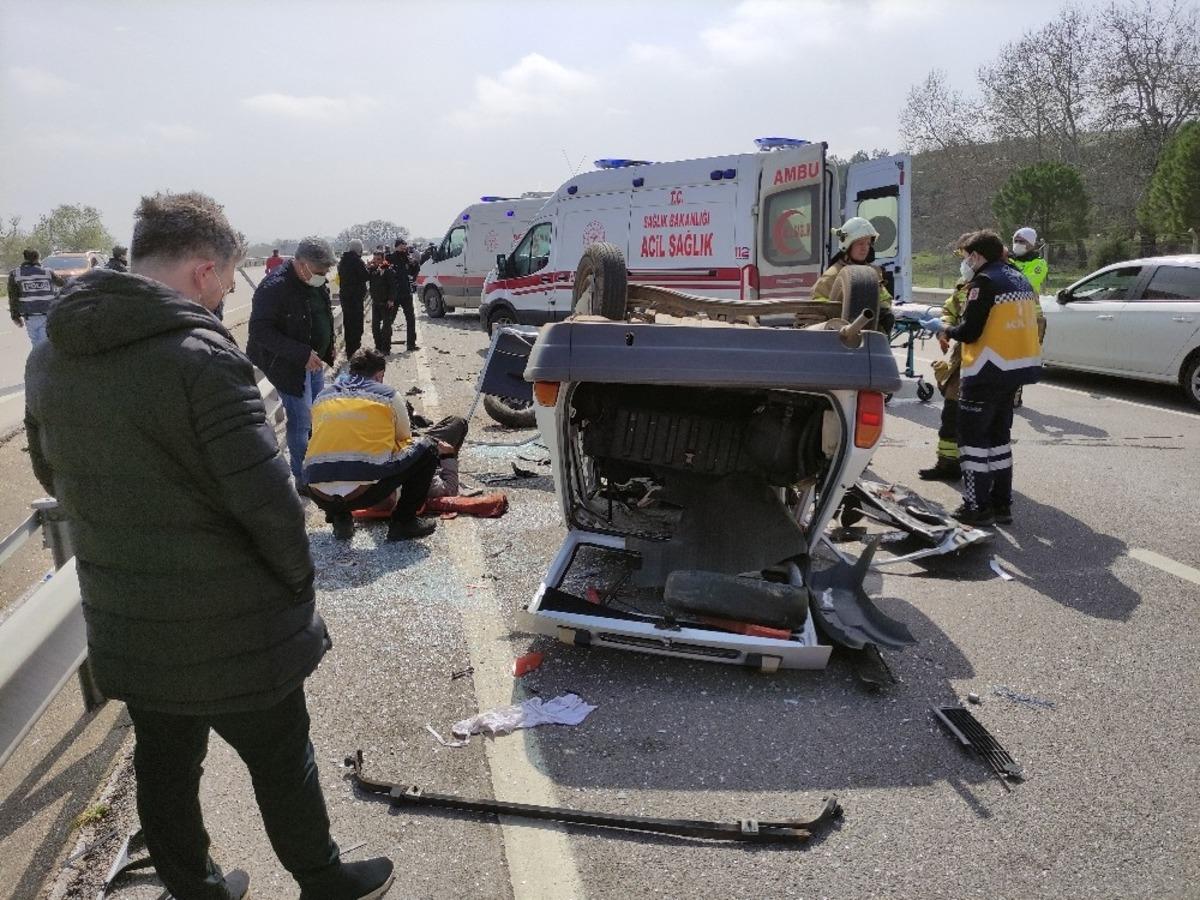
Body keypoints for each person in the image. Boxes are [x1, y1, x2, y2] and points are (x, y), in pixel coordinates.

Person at [22, 191, 394, 899]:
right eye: (226, 278)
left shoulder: (52, 360)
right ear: (201, 270)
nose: (228, 292)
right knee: (283, 760)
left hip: (128, 610)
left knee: (165, 767)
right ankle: (323, 879)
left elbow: (53, 477)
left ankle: (195, 889)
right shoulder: (201, 358)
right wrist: (297, 586)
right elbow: (269, 504)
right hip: (232, 621)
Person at [928, 230, 1042, 526]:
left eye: (967, 256)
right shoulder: (1018, 278)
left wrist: (943, 330)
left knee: (973, 442)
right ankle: (1001, 505)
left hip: (986, 371)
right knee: (999, 441)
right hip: (1013, 371)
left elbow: (970, 331)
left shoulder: (984, 282)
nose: (965, 262)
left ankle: (976, 507)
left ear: (977, 255)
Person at [305, 347, 467, 541]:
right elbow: (404, 440)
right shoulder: (386, 395)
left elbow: (317, 440)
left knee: (334, 455)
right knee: (427, 448)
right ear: (380, 375)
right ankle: (404, 522)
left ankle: (340, 517)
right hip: (365, 492)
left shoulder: (323, 396)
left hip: (318, 493)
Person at [247, 237, 337, 489]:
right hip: (288, 365)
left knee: (317, 415)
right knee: (300, 422)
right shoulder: (274, 287)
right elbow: (259, 331)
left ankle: (315, 462)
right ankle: (302, 477)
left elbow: (323, 315)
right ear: (301, 264)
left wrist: (327, 348)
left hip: (314, 362)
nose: (324, 275)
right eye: (320, 271)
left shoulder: (315, 282)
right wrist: (300, 354)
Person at [918, 237, 973, 482]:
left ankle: (974, 470)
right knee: (951, 412)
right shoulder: (964, 284)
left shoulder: (991, 284)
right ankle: (947, 464)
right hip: (962, 356)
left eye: (965, 256)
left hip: (981, 361)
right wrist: (945, 329)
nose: (963, 262)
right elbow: (950, 309)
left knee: (971, 417)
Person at [810, 217, 894, 332]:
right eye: (860, 243)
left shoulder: (873, 273)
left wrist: (883, 309)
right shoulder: (833, 275)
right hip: (840, 336)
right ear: (848, 245)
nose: (865, 248)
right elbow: (817, 307)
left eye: (868, 243)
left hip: (871, 336)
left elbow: (885, 299)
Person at [8, 249, 63, 348]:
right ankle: (42, 361)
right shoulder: (48, 272)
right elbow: (62, 284)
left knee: (36, 344)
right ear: (38, 258)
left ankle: (39, 361)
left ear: (25, 258)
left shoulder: (15, 274)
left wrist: (15, 316)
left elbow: (13, 297)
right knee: (43, 345)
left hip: (29, 316)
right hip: (47, 314)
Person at [337, 239, 370, 357]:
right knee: (357, 325)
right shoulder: (357, 261)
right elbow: (365, 276)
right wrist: (368, 268)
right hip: (355, 297)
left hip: (345, 296)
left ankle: (349, 350)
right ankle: (355, 350)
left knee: (348, 323)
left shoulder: (342, 261)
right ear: (359, 249)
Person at [388, 238, 417, 351]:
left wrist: (413, 263)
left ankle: (411, 344)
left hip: (406, 292)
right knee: (390, 320)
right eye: (401, 245)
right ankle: (385, 344)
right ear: (396, 246)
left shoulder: (407, 257)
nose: (403, 248)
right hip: (394, 294)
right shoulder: (390, 258)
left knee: (411, 319)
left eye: (404, 246)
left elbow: (413, 271)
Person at [367, 250, 398, 354]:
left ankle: (386, 348)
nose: (376, 261)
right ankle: (378, 347)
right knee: (375, 327)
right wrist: (368, 266)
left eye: (379, 259)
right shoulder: (372, 270)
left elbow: (393, 286)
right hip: (376, 302)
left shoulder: (388, 271)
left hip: (386, 303)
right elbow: (365, 278)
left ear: (383, 259)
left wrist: (391, 300)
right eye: (375, 259)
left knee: (386, 327)